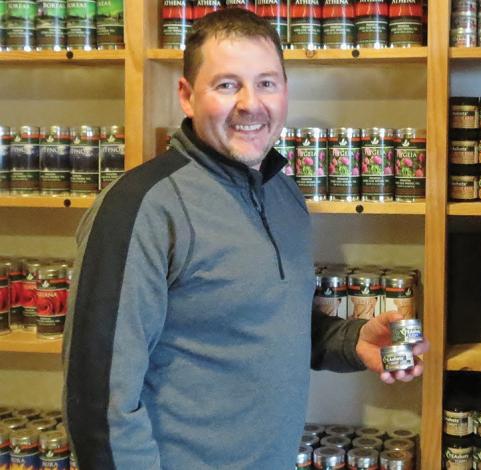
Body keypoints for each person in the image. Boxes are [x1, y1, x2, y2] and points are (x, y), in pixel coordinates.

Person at [63, 9, 427, 469]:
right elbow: (98, 400)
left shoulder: (282, 191)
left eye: (267, 83)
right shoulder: (140, 207)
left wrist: (353, 341)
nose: (251, 103)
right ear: (187, 96)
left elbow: (266, 320)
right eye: (227, 84)